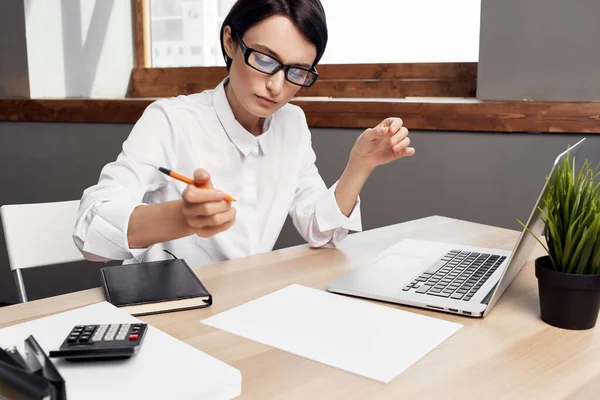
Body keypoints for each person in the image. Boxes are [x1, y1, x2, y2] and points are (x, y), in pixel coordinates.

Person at [73, 0, 414, 266]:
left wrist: (360, 165)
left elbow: (319, 230)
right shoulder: (170, 119)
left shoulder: (291, 124)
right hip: (174, 307)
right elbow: (91, 226)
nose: (276, 86)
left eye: (297, 71)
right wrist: (180, 218)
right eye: (265, 60)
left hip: (248, 298)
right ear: (230, 42)